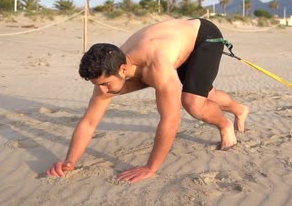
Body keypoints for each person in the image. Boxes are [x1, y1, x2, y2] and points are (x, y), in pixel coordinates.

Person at [46, 18, 249, 183]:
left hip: (203, 36)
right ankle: (240, 110)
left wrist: (150, 167)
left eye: (105, 83)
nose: (101, 90)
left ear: (122, 70)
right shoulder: (111, 70)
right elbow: (89, 122)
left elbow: (171, 120)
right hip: (173, 44)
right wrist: (69, 162)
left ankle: (225, 125)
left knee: (193, 102)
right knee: (208, 95)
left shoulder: (156, 67)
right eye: (97, 84)